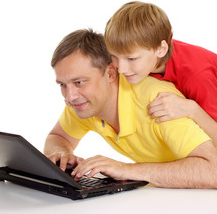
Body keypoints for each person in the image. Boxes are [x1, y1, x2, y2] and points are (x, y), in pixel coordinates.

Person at [43, 29, 217, 189]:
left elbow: (213, 171)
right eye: (62, 85)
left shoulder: (159, 102)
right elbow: (58, 136)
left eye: (79, 82)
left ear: (110, 73)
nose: (69, 96)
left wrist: (127, 170)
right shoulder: (84, 103)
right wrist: (61, 153)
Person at [104, 1, 217, 145]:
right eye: (114, 56)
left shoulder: (198, 76)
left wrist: (192, 109)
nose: (121, 69)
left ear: (161, 49)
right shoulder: (147, 47)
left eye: (131, 58)